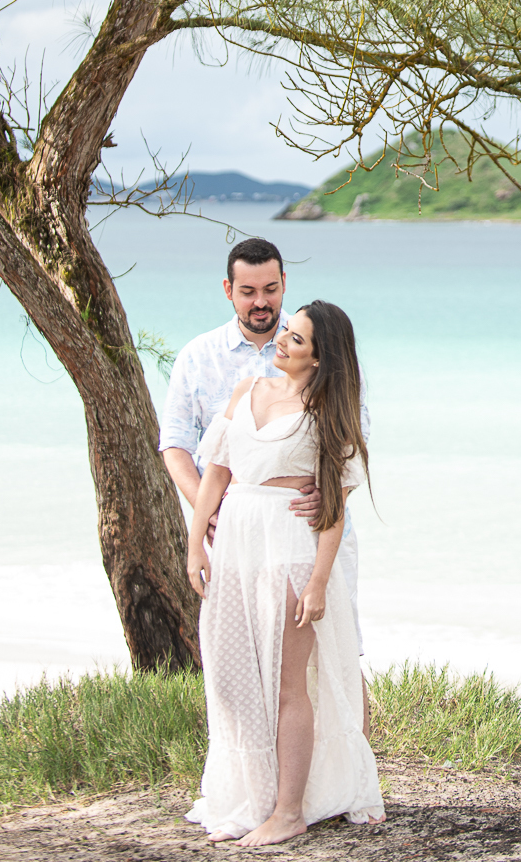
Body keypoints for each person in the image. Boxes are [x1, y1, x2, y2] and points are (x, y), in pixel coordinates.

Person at [185, 300, 384, 843]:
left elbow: (333, 510)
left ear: (319, 359)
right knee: (231, 678)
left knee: (288, 686)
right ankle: (251, 799)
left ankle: (290, 812)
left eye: (296, 339)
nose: (282, 340)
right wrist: (195, 545)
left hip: (290, 551)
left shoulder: (327, 415)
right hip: (236, 548)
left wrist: (318, 583)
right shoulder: (246, 391)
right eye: (287, 330)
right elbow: (215, 474)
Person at [158, 237, 370, 724]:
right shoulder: (199, 356)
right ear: (228, 290)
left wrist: (330, 496)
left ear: (284, 284)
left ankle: (354, 759)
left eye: (270, 289)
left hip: (307, 533)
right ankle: (262, 760)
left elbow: (352, 437)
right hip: (237, 536)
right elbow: (177, 445)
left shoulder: (320, 343)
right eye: (248, 291)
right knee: (244, 655)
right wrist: (210, 514)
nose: (261, 302)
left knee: (338, 650)